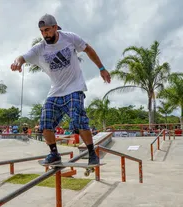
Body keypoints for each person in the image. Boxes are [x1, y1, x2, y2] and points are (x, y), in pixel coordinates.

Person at [10, 14, 111, 165]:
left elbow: (88, 49)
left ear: (55, 28)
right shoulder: (40, 48)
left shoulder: (70, 38)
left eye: (48, 30)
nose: (45, 34)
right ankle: (54, 154)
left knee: (79, 120)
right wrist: (17, 62)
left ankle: (91, 153)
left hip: (74, 88)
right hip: (55, 92)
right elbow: (22, 57)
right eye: (42, 31)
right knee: (45, 123)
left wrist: (101, 68)